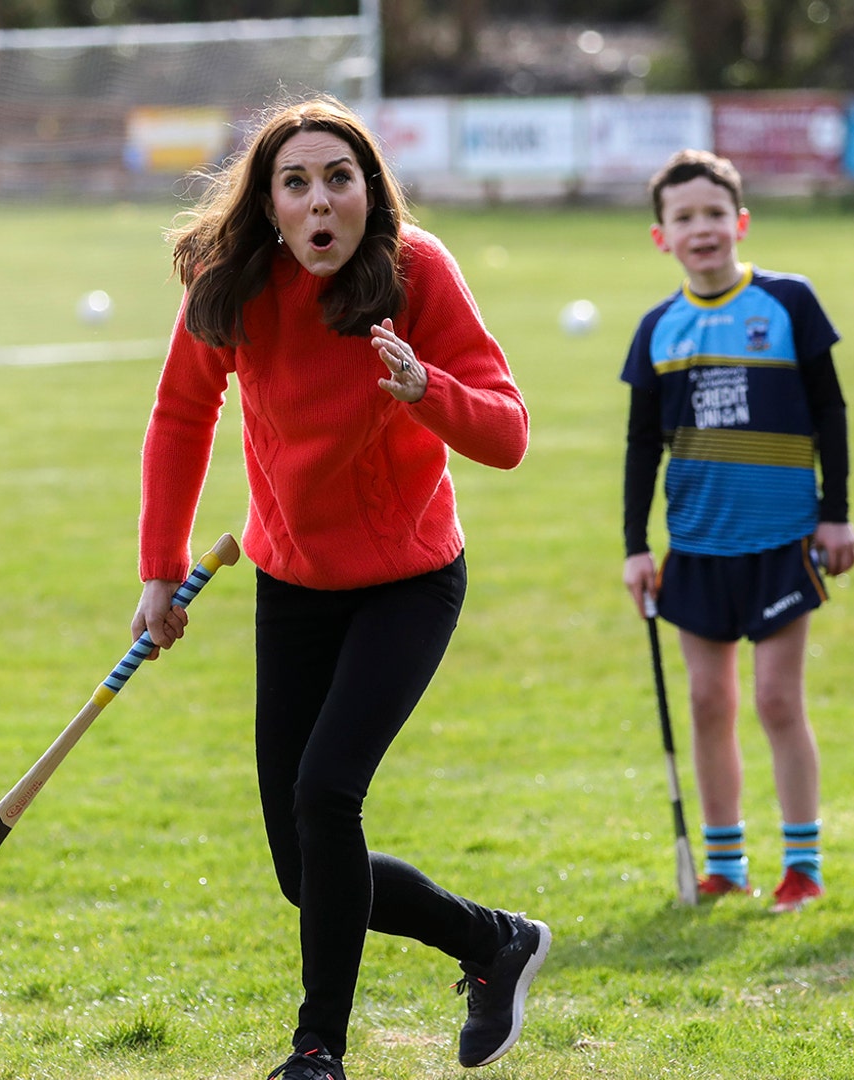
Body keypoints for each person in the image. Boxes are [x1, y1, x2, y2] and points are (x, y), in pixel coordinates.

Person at [131, 96, 546, 1080]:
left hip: (408, 579)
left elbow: (510, 431)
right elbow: (182, 415)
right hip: (293, 580)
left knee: (327, 793)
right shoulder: (229, 282)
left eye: (339, 179)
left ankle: (317, 1050)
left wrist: (426, 391)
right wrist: (161, 573)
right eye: (296, 182)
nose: (320, 200)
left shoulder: (416, 273)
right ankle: (492, 942)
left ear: (369, 194)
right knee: (299, 870)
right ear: (270, 205)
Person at [620, 149, 854, 915]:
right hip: (696, 546)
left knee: (778, 701)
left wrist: (837, 510)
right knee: (707, 702)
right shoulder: (659, 328)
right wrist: (636, 545)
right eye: (684, 217)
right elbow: (641, 446)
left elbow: (831, 412)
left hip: (783, 539)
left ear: (741, 222)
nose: (702, 229)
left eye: (715, 214)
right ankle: (724, 865)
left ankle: (803, 866)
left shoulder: (789, 303)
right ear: (662, 237)